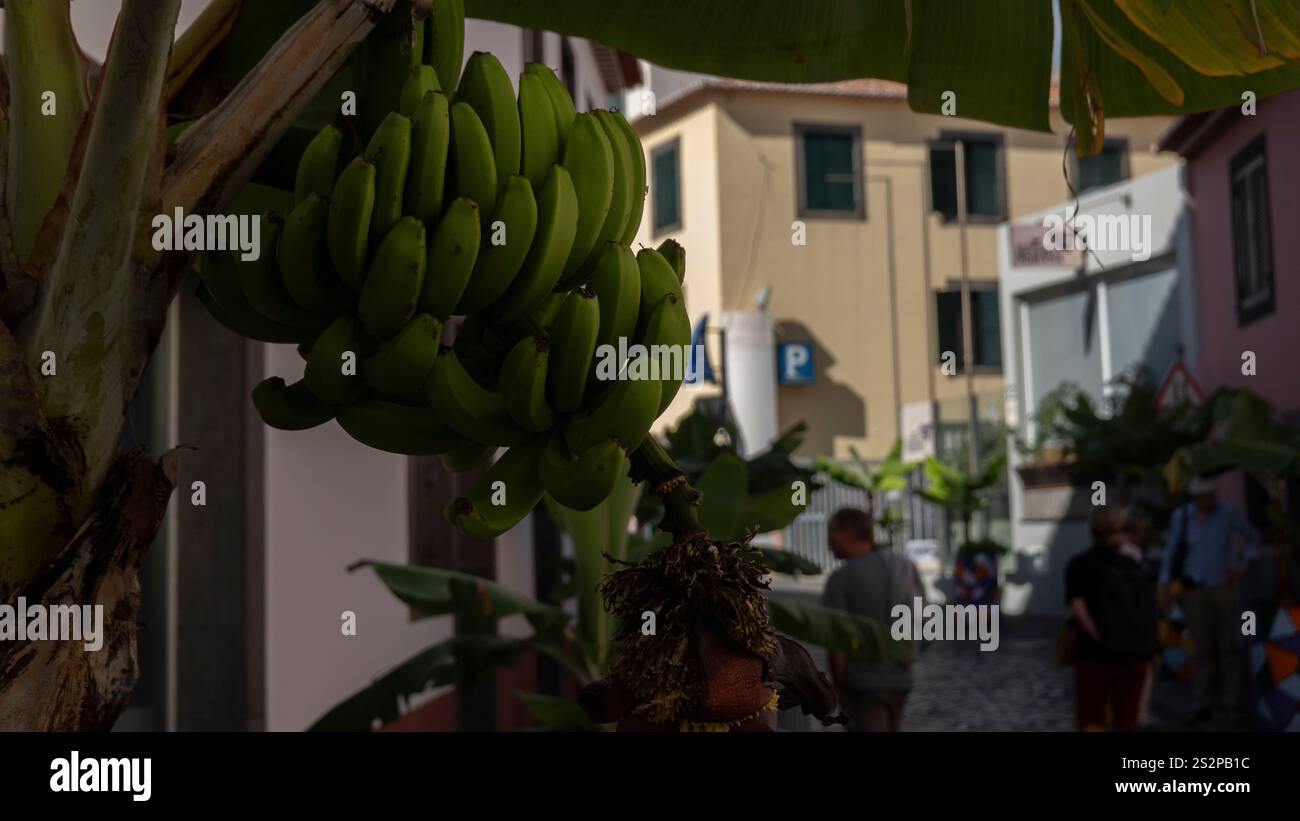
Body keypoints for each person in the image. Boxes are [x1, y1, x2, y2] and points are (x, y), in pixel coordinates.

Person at [1159, 477, 1259, 721]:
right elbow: (1171, 550)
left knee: (1229, 645)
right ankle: (1201, 700)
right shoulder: (1182, 517)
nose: (1210, 500)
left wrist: (1242, 563)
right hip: (1195, 589)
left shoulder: (1227, 513)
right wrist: (1165, 582)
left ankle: (1230, 700)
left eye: (1212, 495)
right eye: (1205, 496)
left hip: (1223, 586)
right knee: (1199, 648)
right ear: (1196, 498)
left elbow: (1252, 536)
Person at [821, 507, 924, 732]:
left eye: (830, 535)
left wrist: (838, 687)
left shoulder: (841, 579)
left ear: (846, 534)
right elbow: (924, 618)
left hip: (862, 685)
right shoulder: (905, 567)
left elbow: (836, 641)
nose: (828, 543)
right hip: (900, 680)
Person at [1065, 507, 1158, 732]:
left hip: (1096, 654)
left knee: (1092, 719)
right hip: (1135, 654)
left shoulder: (1080, 563)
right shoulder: (1137, 565)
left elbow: (1079, 607)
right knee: (1127, 720)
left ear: (1092, 532)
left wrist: (1100, 636)